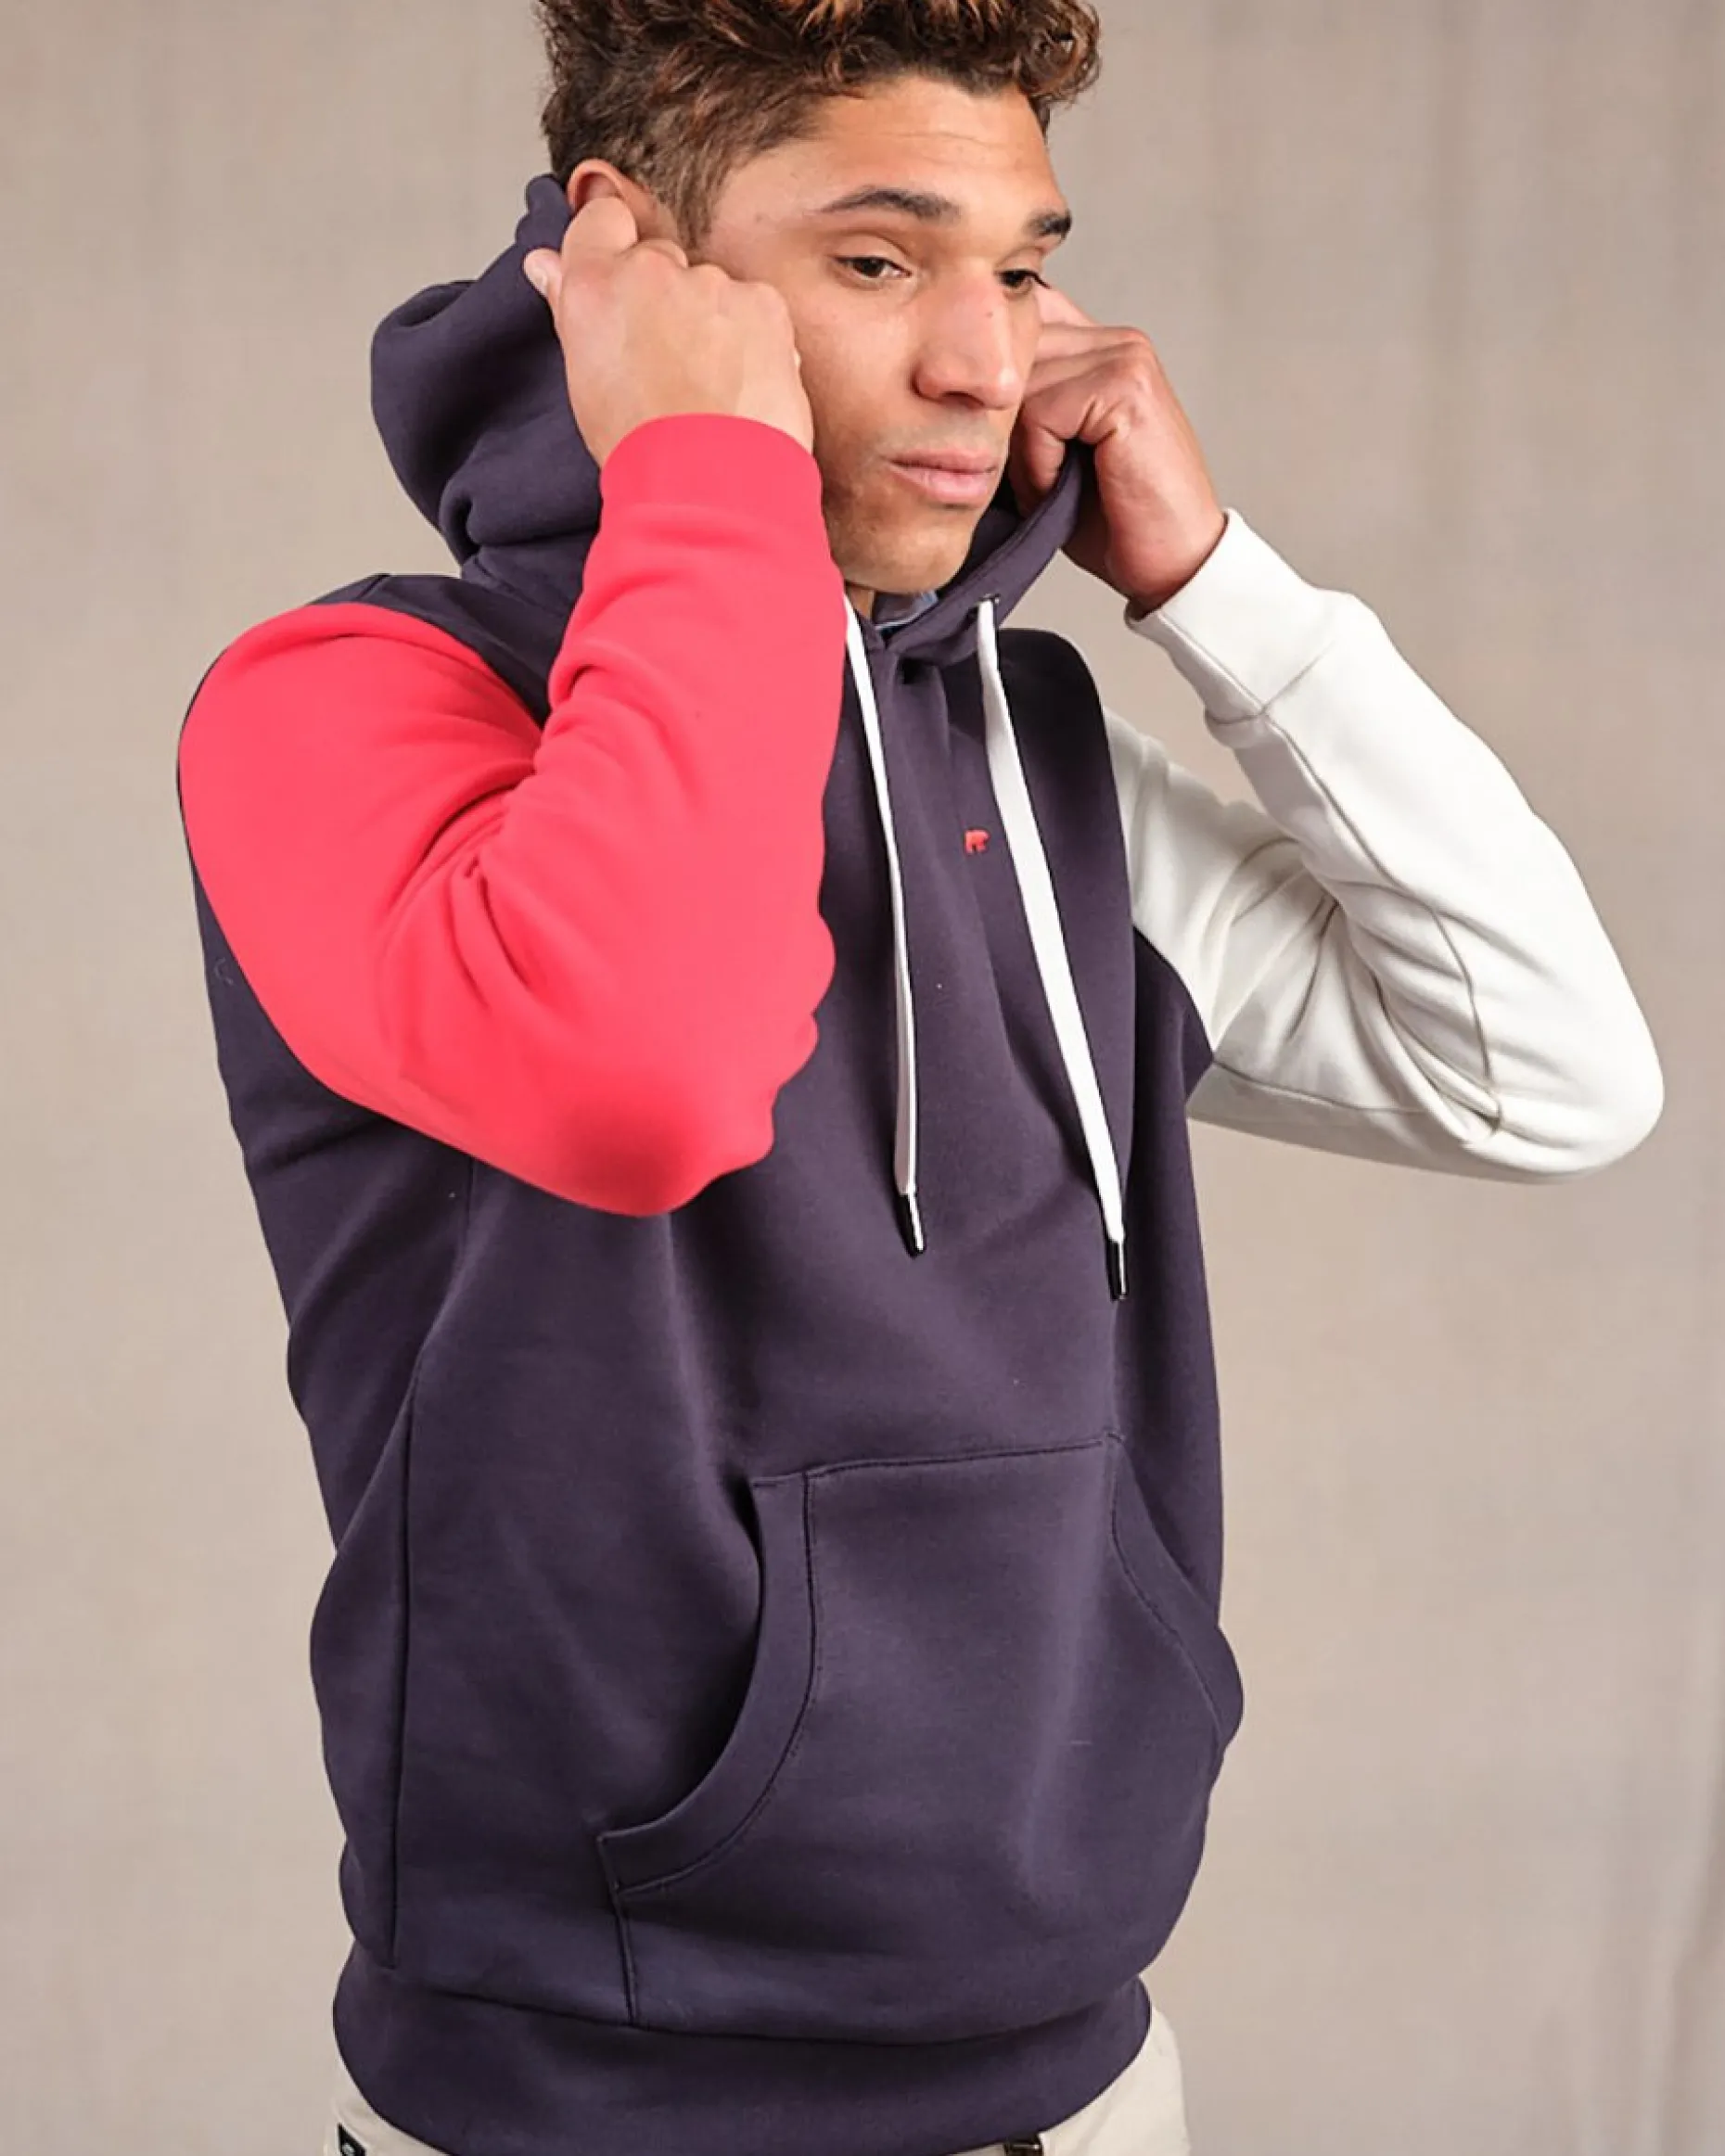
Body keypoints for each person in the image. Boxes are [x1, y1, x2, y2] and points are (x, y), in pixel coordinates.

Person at [173, 4, 1665, 2153]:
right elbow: (646, 1073)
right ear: (628, 258)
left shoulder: (1032, 764)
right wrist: (702, 476)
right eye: (881, 261)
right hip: (580, 2110)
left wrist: (1223, 595)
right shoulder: (349, 707)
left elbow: (1553, 1073)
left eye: (1024, 265)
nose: (987, 358)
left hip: (1088, 2084)